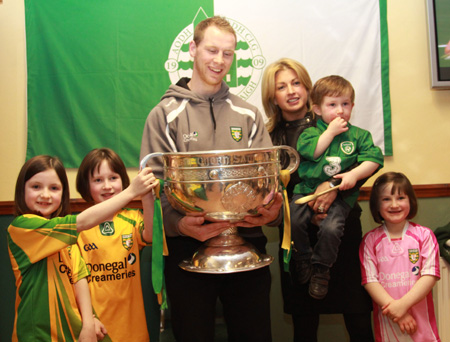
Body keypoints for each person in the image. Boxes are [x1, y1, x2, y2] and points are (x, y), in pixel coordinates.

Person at [140, 16, 282, 342]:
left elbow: (267, 181)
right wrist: (178, 224)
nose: (219, 61)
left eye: (228, 54)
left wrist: (272, 213)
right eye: (212, 50)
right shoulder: (163, 115)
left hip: (248, 244)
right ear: (193, 48)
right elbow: (157, 185)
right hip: (187, 249)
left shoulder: (248, 115)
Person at [261, 58, 375, 341]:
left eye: (296, 83)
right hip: (298, 233)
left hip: (339, 226)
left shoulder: (332, 119)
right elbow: (267, 189)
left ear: (308, 88)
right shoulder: (266, 135)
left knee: (357, 316)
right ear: (272, 96)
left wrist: (334, 186)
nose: (291, 91)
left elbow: (359, 162)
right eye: (281, 86)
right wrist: (307, 208)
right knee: (304, 322)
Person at [7, 155, 156, 341]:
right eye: (36, 187)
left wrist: (87, 322)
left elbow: (79, 278)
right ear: (22, 190)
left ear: (63, 194)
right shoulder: (23, 227)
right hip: (37, 334)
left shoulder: (66, 239)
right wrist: (131, 192)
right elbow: (82, 222)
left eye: (54, 188)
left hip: (76, 331)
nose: (45, 194)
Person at [290, 75, 384, 299]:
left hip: (340, 197)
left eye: (345, 104)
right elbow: (312, 152)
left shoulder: (359, 135)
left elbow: (374, 159)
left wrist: (353, 174)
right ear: (318, 109)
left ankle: (321, 268)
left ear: (352, 105)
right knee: (293, 219)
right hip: (306, 190)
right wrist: (330, 132)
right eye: (332, 105)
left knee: (332, 229)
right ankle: (302, 256)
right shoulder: (310, 133)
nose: (340, 110)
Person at [76, 148, 157, 341]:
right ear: (85, 185)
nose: (107, 186)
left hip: (132, 328)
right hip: (96, 327)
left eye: (113, 178)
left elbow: (152, 235)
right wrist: (89, 320)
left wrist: (146, 195)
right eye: (98, 180)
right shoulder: (80, 225)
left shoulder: (131, 219)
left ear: (123, 181)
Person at [360, 172, 441, 341]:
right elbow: (370, 281)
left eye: (401, 197)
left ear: (410, 201)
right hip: (388, 322)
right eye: (386, 199)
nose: (394, 204)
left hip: (421, 324)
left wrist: (402, 306)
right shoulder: (370, 241)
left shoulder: (424, 236)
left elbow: (430, 276)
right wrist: (398, 313)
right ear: (376, 205)